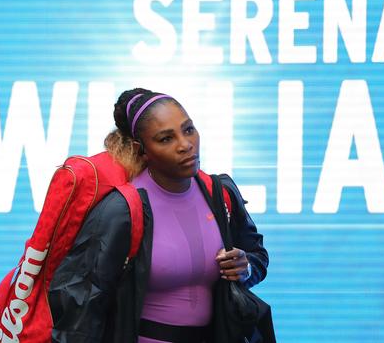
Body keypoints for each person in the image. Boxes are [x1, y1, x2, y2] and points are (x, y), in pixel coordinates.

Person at [48, 88, 269, 343]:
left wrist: (246, 267)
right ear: (140, 150)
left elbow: (257, 257)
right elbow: (81, 304)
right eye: (166, 139)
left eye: (188, 130)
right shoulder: (122, 209)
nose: (185, 145)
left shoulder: (220, 193)